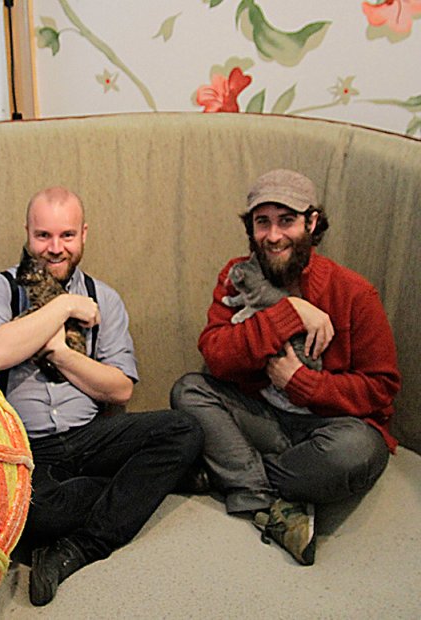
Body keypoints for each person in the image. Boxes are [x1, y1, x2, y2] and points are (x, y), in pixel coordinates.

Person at [0, 186, 204, 606]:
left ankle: (75, 550)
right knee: (36, 512)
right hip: (26, 447)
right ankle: (135, 488)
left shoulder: (104, 299)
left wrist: (56, 350)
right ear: (26, 233)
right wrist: (62, 309)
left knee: (182, 430)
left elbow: (120, 387)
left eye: (67, 236)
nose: (55, 248)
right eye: (43, 236)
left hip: (91, 435)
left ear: (84, 234)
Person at [171, 169, 401, 566]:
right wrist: (288, 312)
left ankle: (235, 478)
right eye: (263, 222)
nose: (274, 236)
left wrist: (303, 384)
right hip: (259, 416)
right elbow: (217, 357)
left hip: (328, 428)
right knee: (188, 390)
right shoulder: (236, 275)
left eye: (287, 220)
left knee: (359, 451)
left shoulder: (354, 293)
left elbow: (380, 389)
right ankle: (270, 497)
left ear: (312, 223)